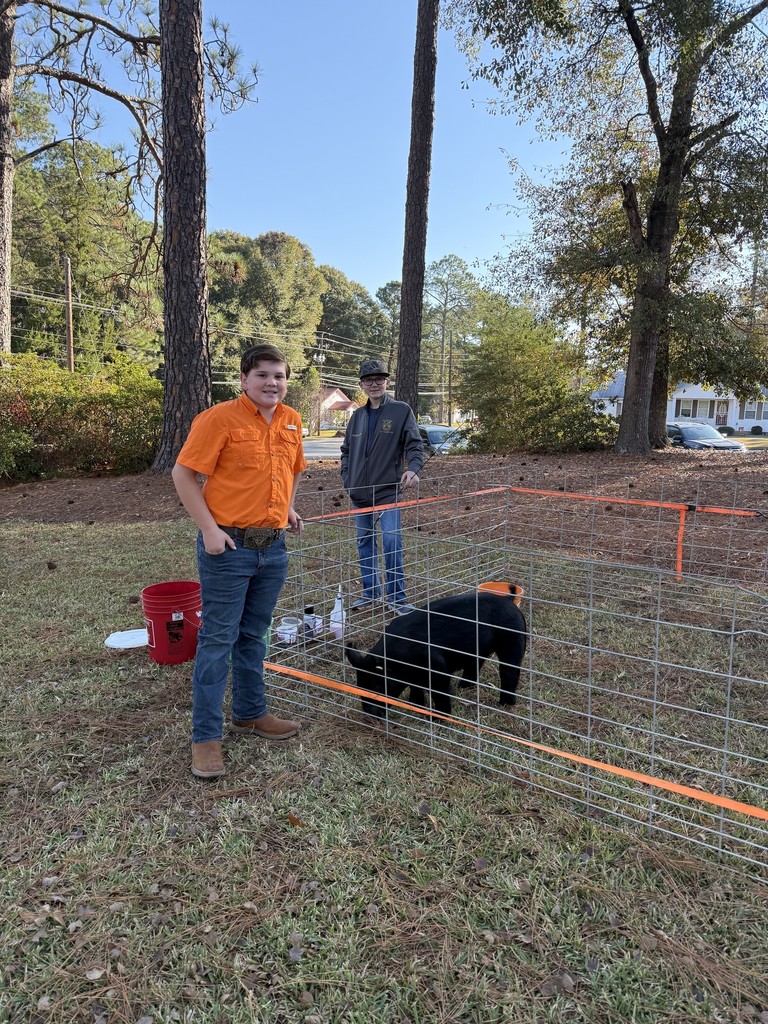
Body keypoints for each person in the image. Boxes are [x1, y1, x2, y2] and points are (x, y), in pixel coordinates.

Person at [172, 344, 307, 779]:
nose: (272, 383)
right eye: (263, 375)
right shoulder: (217, 419)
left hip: (274, 547)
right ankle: (205, 738)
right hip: (228, 547)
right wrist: (210, 530)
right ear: (244, 379)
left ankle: (251, 712)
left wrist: (285, 507)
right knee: (218, 639)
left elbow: (293, 470)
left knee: (254, 635)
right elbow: (183, 474)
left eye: (279, 376)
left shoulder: (291, 420)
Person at [340, 358, 424, 615]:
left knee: (390, 541)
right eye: (368, 380)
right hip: (359, 495)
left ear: (387, 382)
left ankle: (397, 598)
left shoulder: (401, 411)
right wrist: (347, 478)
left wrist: (413, 469)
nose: (374, 384)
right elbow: (346, 451)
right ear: (361, 385)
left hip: (387, 491)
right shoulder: (357, 416)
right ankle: (370, 593)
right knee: (364, 542)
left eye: (379, 379)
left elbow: (415, 445)